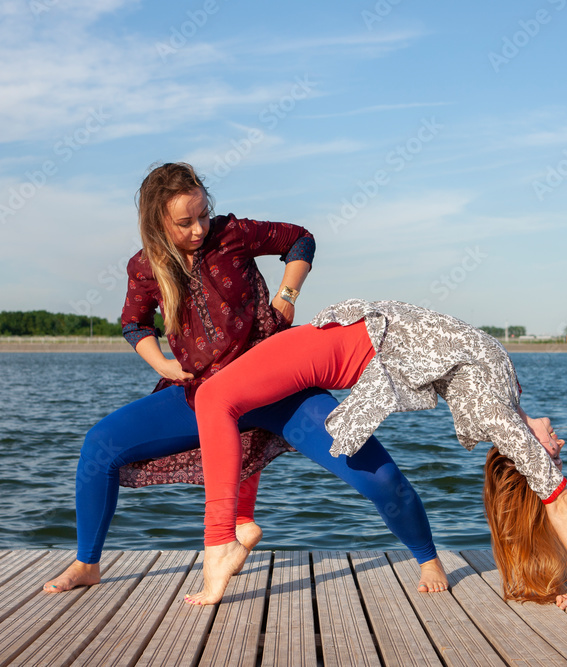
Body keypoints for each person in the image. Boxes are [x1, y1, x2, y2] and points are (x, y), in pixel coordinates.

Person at [43, 165, 444, 595]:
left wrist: (287, 294)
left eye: (202, 214)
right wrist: (160, 363)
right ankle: (87, 563)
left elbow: (299, 239)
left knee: (381, 478)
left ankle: (428, 559)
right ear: (157, 222)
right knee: (99, 446)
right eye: (185, 222)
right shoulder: (144, 267)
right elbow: (135, 322)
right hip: (202, 394)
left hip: (279, 388)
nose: (199, 229)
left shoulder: (232, 233)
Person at [187, 298, 567, 610]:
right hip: (356, 334)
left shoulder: (500, 419)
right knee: (227, 400)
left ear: (527, 456)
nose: (560, 444)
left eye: (554, 454)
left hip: (347, 346)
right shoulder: (511, 403)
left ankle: (222, 539)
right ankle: (239, 524)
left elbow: (559, 499)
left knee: (212, 397)